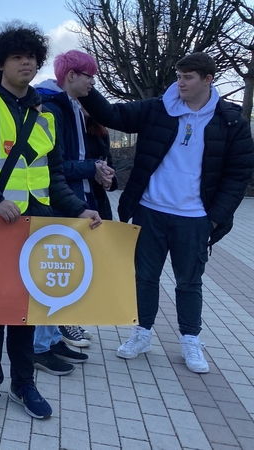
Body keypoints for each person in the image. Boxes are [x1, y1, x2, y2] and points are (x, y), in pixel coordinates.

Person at [0, 22, 101, 422]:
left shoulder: (46, 115)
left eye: (31, 56)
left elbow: (55, 177)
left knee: (27, 313)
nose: (26, 62)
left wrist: (78, 209)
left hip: (36, 226)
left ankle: (24, 383)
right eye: (17, 56)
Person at [80, 52, 254, 373]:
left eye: (188, 77)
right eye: (179, 75)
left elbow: (238, 174)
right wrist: (86, 87)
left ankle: (190, 340)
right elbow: (114, 115)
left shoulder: (230, 121)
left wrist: (213, 219)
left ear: (207, 80)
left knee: (189, 281)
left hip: (195, 218)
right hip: (150, 211)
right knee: (145, 276)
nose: (181, 82)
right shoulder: (158, 108)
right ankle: (142, 333)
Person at [30, 50, 115, 373]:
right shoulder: (53, 107)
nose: (93, 82)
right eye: (89, 76)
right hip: (56, 204)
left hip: (71, 202)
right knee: (48, 277)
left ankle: (51, 340)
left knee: (60, 277)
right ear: (72, 76)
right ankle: (40, 346)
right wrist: (89, 168)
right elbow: (54, 167)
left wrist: (98, 171)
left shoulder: (72, 107)